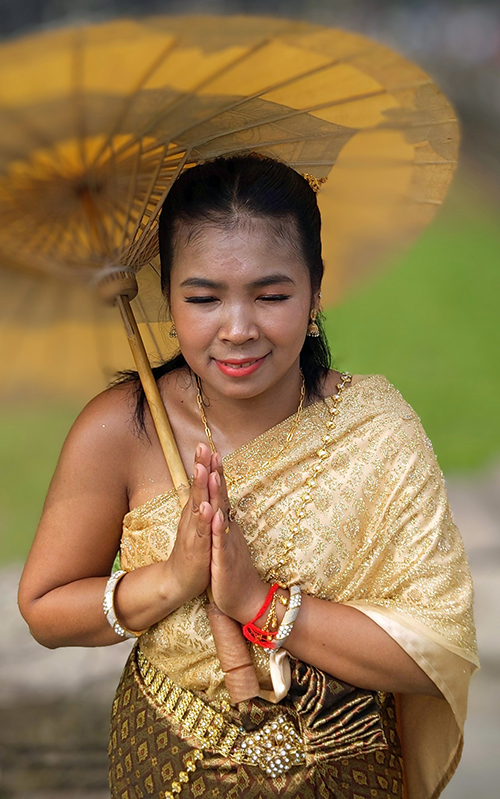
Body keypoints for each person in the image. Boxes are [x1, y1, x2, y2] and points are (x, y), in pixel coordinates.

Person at [18, 154, 478, 799]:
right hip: (171, 763)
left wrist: (260, 603)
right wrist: (171, 581)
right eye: (204, 298)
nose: (238, 329)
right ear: (166, 298)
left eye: (272, 295)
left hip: (348, 766)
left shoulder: (375, 426)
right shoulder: (121, 429)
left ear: (316, 291)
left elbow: (437, 652)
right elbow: (45, 611)